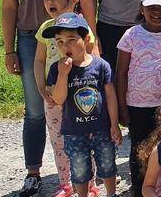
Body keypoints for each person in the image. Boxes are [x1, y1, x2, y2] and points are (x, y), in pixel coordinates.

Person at [0, 0, 95, 197]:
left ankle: (82, 175)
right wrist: (9, 48)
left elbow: (88, 2)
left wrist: (94, 39)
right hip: (31, 39)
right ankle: (33, 172)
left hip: (73, 40)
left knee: (77, 106)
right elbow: (8, 7)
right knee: (37, 108)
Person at [32, 0, 99, 197]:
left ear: (73, 0)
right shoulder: (46, 28)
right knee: (58, 140)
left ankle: (90, 185)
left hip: (80, 96)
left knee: (84, 140)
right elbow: (39, 60)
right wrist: (42, 88)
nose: (49, 0)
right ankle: (65, 183)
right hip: (53, 97)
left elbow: (93, 58)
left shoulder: (83, 28)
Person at [45, 13, 121, 197]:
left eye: (71, 39)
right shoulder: (57, 68)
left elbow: (110, 96)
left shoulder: (101, 65)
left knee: (108, 163)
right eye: (60, 42)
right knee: (79, 169)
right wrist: (63, 74)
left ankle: (111, 194)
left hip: (101, 128)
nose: (65, 46)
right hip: (74, 130)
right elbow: (58, 99)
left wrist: (114, 124)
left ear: (86, 38)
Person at [115, 0, 161, 197]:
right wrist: (122, 107)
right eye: (151, 7)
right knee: (139, 149)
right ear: (142, 8)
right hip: (137, 104)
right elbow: (121, 73)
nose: (157, 12)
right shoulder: (131, 35)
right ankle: (140, 189)